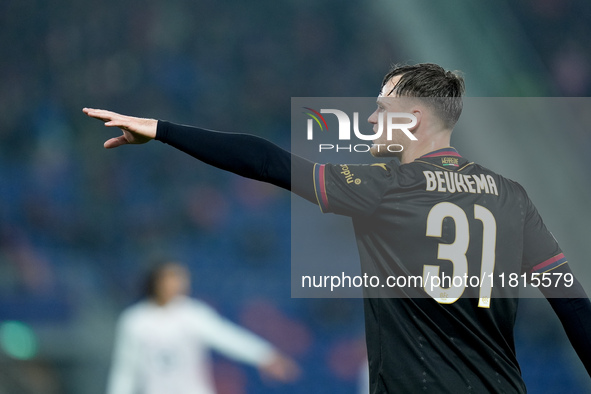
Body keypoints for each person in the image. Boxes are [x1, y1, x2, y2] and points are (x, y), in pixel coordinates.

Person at [86, 63, 591, 393]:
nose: (370, 119)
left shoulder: (382, 186)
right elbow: (573, 308)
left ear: (413, 119)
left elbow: (265, 160)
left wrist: (164, 131)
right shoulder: (511, 195)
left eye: (381, 108)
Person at [106, 261, 299, 394]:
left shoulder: (192, 314)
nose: (179, 283)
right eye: (172, 277)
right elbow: (126, 367)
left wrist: (264, 354)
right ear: (156, 281)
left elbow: (227, 337)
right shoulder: (135, 320)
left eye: (181, 277)